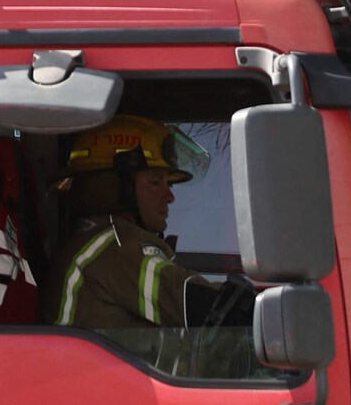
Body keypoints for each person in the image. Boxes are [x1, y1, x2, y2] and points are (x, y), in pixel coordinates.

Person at [45, 115, 243, 372]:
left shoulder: (98, 240)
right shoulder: (112, 247)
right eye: (154, 182)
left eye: (167, 183)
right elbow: (197, 303)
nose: (169, 195)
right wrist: (265, 311)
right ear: (115, 187)